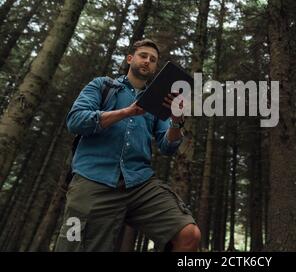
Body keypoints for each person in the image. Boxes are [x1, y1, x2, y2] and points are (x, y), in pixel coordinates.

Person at [55, 39, 200, 252]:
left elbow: (167, 147)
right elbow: (75, 121)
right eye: (143, 56)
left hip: (139, 183)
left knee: (188, 234)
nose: (147, 62)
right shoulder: (102, 85)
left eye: (153, 60)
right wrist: (125, 112)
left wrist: (176, 121)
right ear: (130, 58)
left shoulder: (158, 100)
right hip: (94, 179)